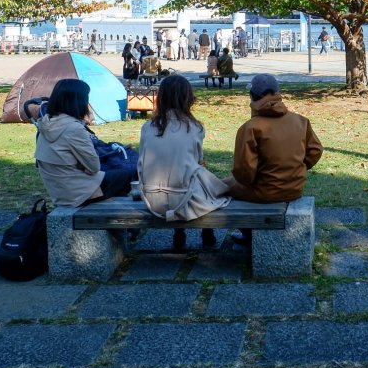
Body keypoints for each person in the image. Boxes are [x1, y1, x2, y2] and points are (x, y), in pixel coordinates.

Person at [225, 73, 322, 248]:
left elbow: (243, 172)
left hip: (265, 191)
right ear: (278, 93)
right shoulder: (301, 121)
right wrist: (298, 167)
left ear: (252, 96)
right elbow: (315, 150)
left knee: (222, 186)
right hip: (295, 188)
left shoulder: (250, 128)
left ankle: (248, 232)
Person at [138, 75, 230, 251]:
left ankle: (179, 233)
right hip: (183, 198)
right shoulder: (195, 128)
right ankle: (206, 232)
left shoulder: (147, 127)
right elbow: (196, 161)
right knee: (206, 182)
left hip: (152, 199)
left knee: (187, 176)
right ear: (187, 98)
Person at [35, 79, 133, 207]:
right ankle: (120, 222)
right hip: (78, 194)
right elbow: (93, 167)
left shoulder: (46, 123)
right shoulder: (73, 128)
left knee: (114, 175)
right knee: (126, 174)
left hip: (59, 191)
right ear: (78, 102)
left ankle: (116, 222)